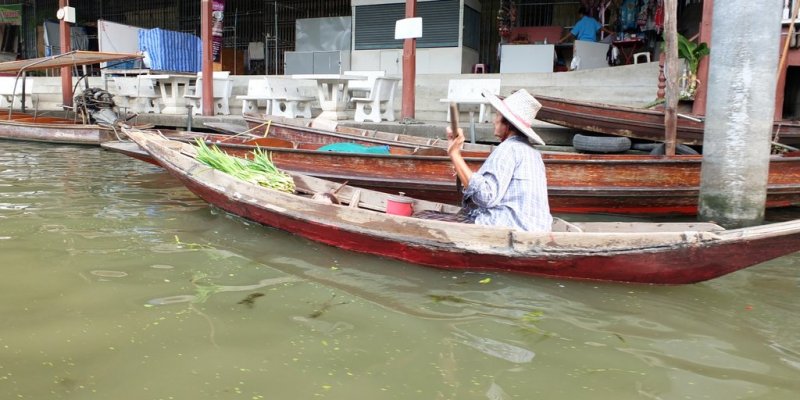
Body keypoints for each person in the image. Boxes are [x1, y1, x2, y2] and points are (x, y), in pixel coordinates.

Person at [445, 89, 552, 233]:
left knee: (425, 216)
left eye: (497, 115)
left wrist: (455, 154)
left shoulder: (509, 148)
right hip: (538, 230)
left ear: (507, 124)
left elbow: (485, 197)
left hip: (509, 229)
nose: (494, 120)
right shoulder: (534, 153)